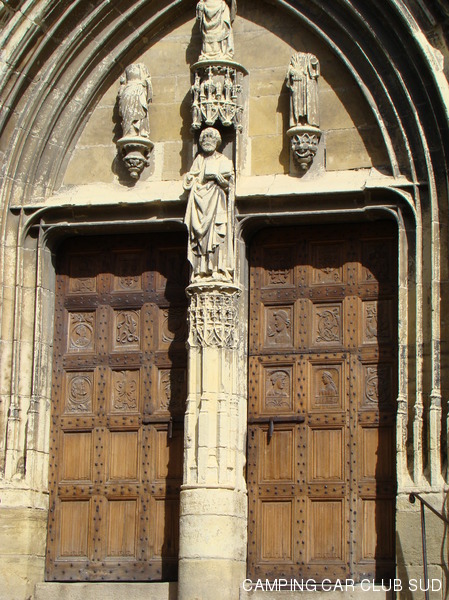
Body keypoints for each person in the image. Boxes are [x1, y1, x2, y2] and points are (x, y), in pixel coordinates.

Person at [184, 127, 235, 280]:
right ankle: (201, 270)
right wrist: (193, 180)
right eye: (204, 139)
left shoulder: (224, 161)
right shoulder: (199, 160)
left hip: (217, 203)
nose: (207, 141)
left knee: (217, 236)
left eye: (211, 138)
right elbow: (191, 180)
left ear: (217, 141)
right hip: (200, 204)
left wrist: (219, 179)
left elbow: (229, 186)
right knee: (201, 239)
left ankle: (218, 269)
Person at [118, 63, 153, 138]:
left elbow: (147, 81)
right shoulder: (128, 69)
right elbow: (122, 84)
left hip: (138, 93)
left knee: (138, 113)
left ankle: (137, 131)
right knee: (128, 114)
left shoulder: (142, 67)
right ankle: (129, 132)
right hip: (128, 93)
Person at [286, 52, 320, 128]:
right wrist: (293, 71)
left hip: (308, 84)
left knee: (308, 101)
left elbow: (315, 65)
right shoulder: (294, 58)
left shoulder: (311, 57)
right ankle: (298, 120)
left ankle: (309, 120)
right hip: (297, 83)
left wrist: (313, 64)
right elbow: (290, 70)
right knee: (298, 102)